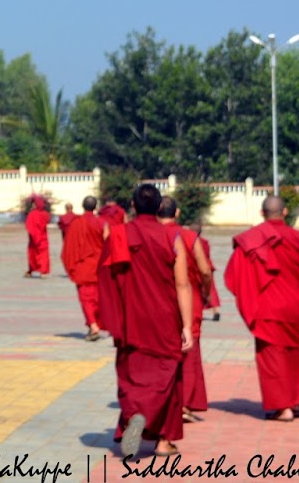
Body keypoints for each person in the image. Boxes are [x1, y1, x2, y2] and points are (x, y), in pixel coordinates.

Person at [98, 183, 193, 461]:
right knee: (168, 377)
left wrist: (112, 317)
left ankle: (135, 421)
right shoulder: (172, 238)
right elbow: (183, 284)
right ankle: (164, 441)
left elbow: (107, 278)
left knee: (132, 376)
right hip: (165, 317)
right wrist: (186, 325)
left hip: (131, 318)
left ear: (133, 204)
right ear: (161, 206)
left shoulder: (118, 235)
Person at [225, 195, 299, 422]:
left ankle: (283, 409)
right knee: (294, 352)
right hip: (294, 303)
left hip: (267, 306)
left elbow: (235, 275)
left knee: (272, 356)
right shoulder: (298, 237)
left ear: (262, 213)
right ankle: (296, 401)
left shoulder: (251, 238)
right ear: (284, 213)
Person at [158, 197, 213, 422]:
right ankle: (184, 405)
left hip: (158, 303)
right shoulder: (189, 237)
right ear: (177, 212)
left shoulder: (152, 236)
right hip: (190, 302)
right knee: (189, 353)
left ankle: (167, 402)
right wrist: (206, 292)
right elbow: (205, 271)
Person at [61, 195, 106, 340]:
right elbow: (108, 242)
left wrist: (70, 264)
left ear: (82, 206)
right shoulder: (101, 222)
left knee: (86, 298)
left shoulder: (77, 223)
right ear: (96, 207)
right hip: (99, 265)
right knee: (96, 298)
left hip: (83, 266)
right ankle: (94, 324)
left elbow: (69, 245)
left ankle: (93, 326)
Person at [25, 195, 52, 278]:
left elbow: (28, 226)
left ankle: (33, 270)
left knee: (33, 255)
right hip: (42, 238)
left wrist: (33, 234)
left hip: (34, 238)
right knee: (42, 255)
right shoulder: (45, 214)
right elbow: (47, 220)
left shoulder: (32, 214)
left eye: (34, 204)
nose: (33, 206)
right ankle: (42, 272)